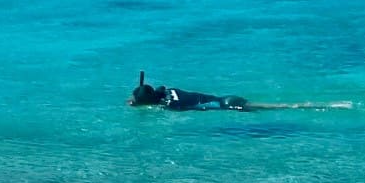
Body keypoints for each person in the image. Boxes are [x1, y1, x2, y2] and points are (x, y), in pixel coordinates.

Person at [128, 71, 351, 112]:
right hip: (226, 97)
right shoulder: (170, 92)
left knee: (283, 106)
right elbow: (160, 90)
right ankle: (331, 104)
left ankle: (331, 105)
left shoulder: (171, 106)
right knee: (273, 106)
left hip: (228, 106)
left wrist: (140, 106)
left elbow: (159, 106)